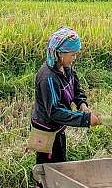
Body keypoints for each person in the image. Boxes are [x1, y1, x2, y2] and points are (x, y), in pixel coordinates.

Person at [31, 26, 101, 165]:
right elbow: (55, 112)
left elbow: (76, 89)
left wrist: (82, 104)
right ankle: (42, 186)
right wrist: (85, 119)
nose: (74, 58)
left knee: (60, 161)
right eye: (72, 54)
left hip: (58, 127)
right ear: (60, 54)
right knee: (47, 168)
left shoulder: (66, 68)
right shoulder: (48, 78)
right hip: (46, 130)